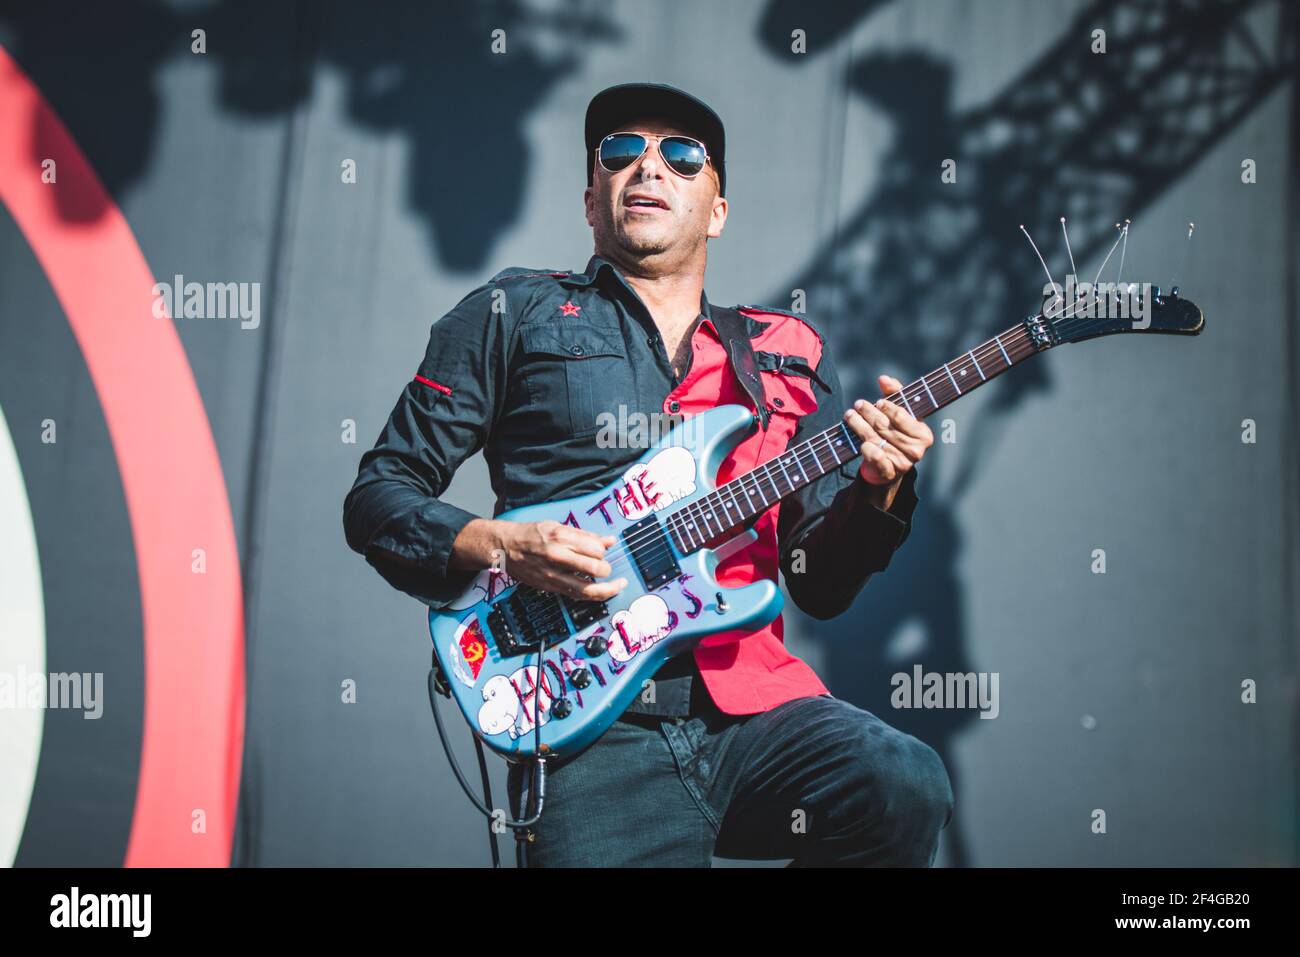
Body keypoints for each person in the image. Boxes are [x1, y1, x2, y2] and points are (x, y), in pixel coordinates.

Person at [344, 82, 953, 866]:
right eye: (621, 151)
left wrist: (879, 491)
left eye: (683, 155)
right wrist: (501, 544)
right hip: (589, 730)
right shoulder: (512, 313)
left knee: (901, 782)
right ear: (591, 202)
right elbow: (379, 496)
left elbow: (819, 584)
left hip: (755, 712)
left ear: (719, 209)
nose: (650, 167)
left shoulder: (782, 355)